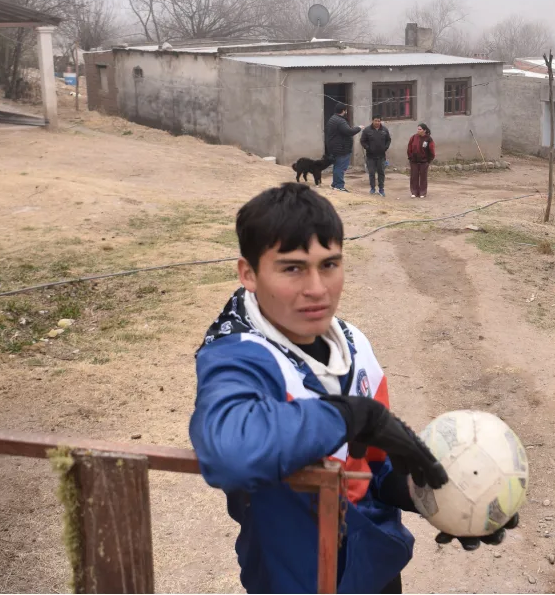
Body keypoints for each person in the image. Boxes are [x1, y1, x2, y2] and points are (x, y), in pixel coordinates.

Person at [190, 184, 517, 593]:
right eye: (292, 268)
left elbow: (371, 469)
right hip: (296, 581)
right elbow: (230, 453)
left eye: (329, 265)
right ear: (248, 274)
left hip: (375, 572)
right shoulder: (236, 357)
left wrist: (439, 498)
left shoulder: (353, 345)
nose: (317, 288)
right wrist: (349, 416)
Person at [325, 105, 362, 192]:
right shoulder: (340, 121)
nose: (346, 112)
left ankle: (335, 184)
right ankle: (339, 186)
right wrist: (359, 128)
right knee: (341, 167)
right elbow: (349, 131)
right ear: (343, 111)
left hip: (335, 147)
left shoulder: (333, 119)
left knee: (337, 166)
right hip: (341, 148)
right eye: (345, 110)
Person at [360, 116, 392, 196]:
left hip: (381, 156)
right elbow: (362, 141)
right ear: (372, 121)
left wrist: (385, 147)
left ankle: (381, 189)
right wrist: (368, 148)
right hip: (370, 156)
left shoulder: (384, 130)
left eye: (378, 121)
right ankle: (372, 188)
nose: (377, 122)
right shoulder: (367, 130)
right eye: (375, 121)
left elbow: (388, 140)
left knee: (381, 173)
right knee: (371, 173)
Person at [406, 123, 435, 198]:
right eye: (418, 129)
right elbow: (409, 148)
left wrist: (429, 160)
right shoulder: (413, 137)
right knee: (414, 177)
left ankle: (422, 192)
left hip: (424, 162)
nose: (418, 130)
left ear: (424, 130)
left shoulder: (428, 139)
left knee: (423, 177)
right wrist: (410, 157)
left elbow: (432, 150)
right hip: (414, 161)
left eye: (420, 129)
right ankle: (414, 192)